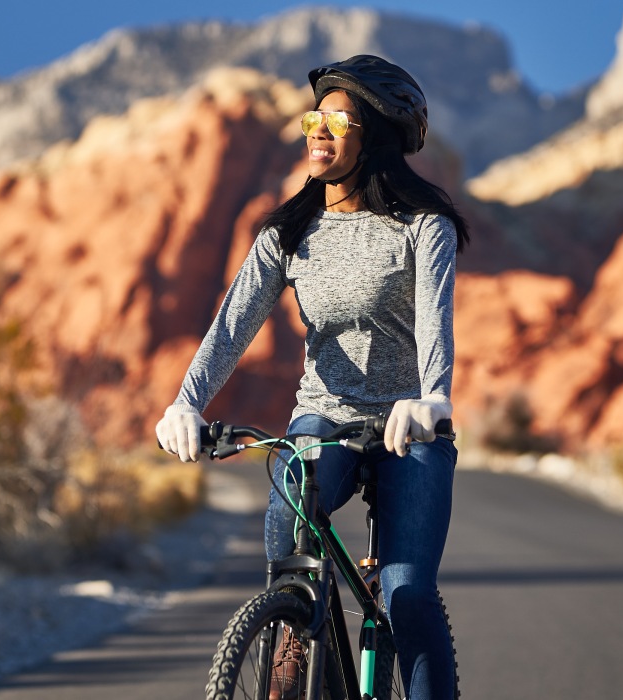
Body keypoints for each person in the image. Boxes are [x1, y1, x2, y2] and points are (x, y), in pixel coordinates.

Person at [154, 54, 467, 699]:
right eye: (311, 118)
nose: (317, 131)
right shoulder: (289, 232)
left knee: (408, 593)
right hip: (324, 416)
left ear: (375, 135)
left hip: (409, 429)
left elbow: (436, 326)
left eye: (337, 119)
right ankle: (294, 675)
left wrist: (432, 400)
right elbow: (231, 327)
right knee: (290, 559)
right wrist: (186, 403)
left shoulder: (422, 226)